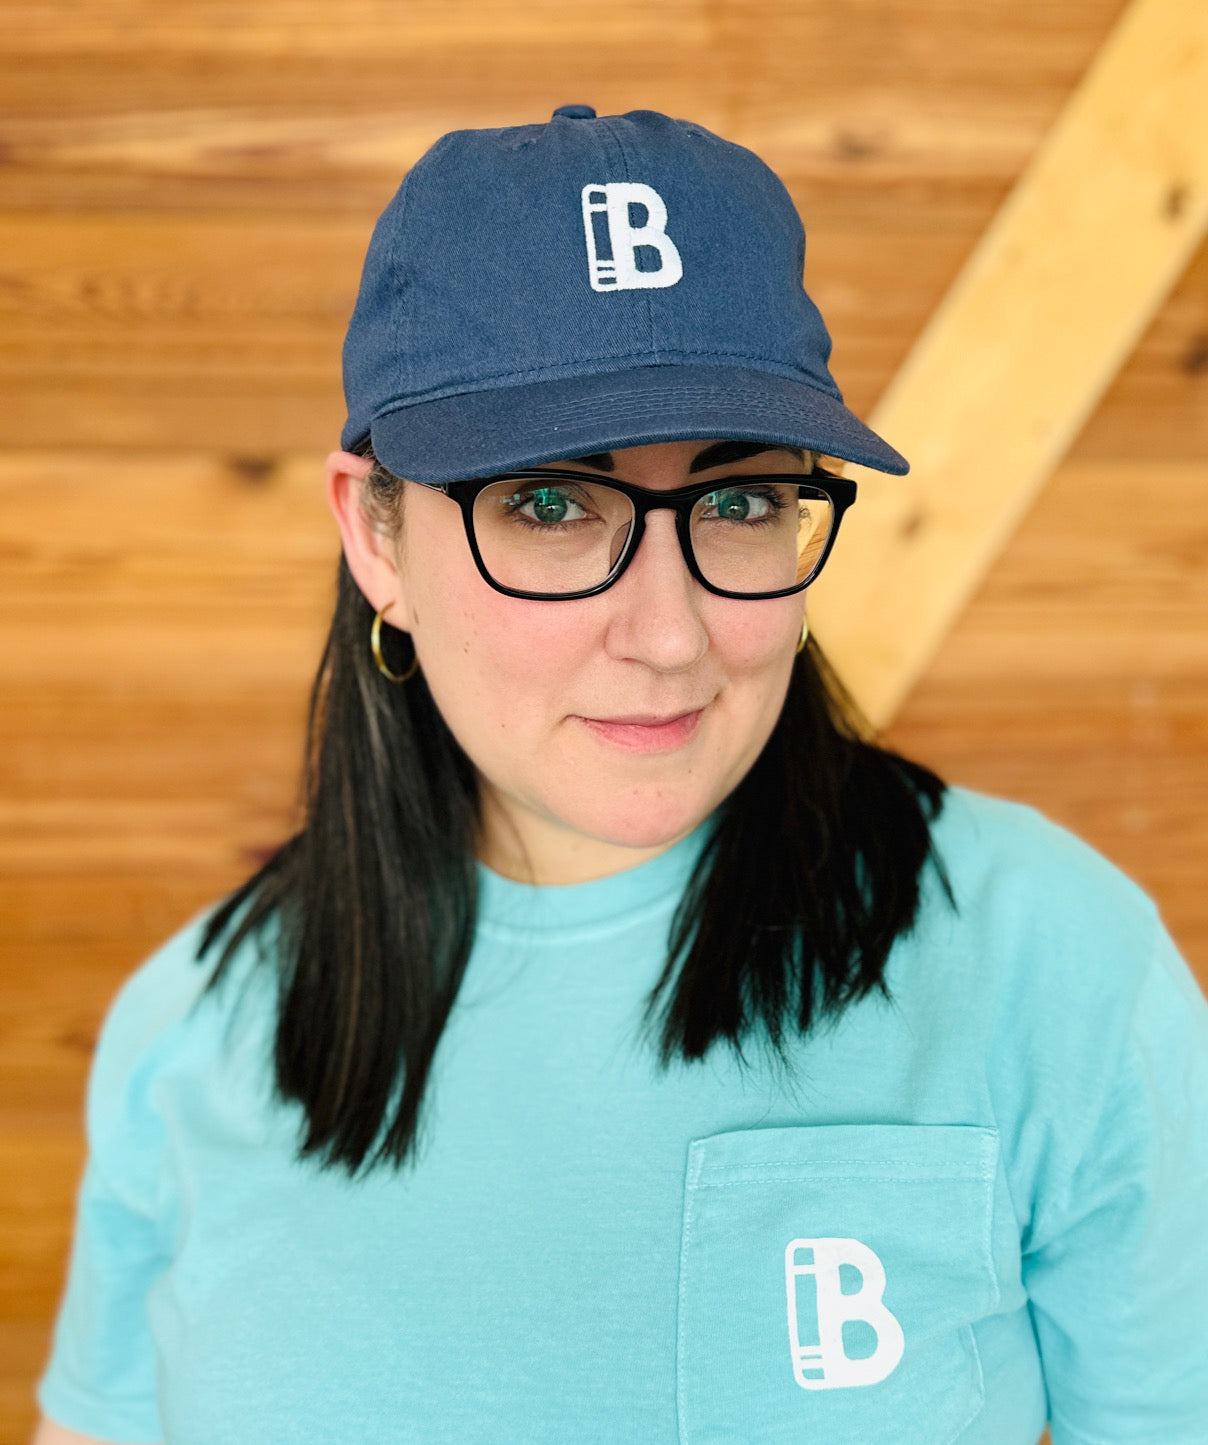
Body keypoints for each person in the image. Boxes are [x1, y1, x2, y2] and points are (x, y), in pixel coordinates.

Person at [32, 105, 1208, 1445]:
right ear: (377, 533)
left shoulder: (1052, 962)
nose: (667, 634)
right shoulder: (190, 1034)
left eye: (741, 498)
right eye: (548, 504)